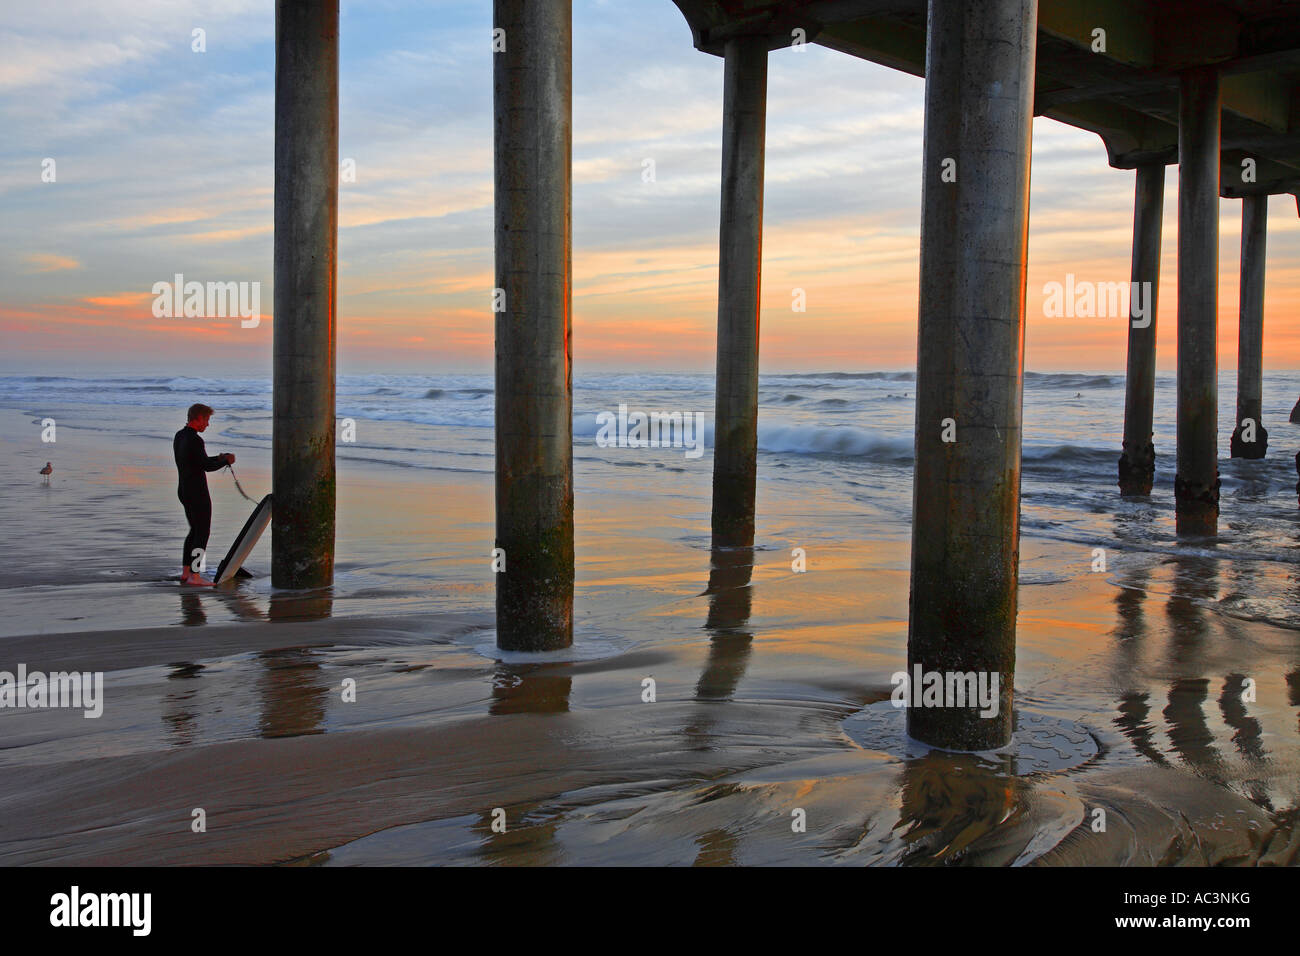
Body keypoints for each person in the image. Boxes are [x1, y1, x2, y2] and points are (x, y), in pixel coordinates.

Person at [174, 403, 234, 586]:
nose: (207, 424)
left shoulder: (180, 436)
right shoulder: (196, 440)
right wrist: (225, 462)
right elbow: (206, 466)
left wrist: (219, 458)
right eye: (206, 420)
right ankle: (195, 575)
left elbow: (199, 461)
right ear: (198, 418)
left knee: (194, 531)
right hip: (197, 492)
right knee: (202, 533)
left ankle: (186, 573)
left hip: (184, 489)